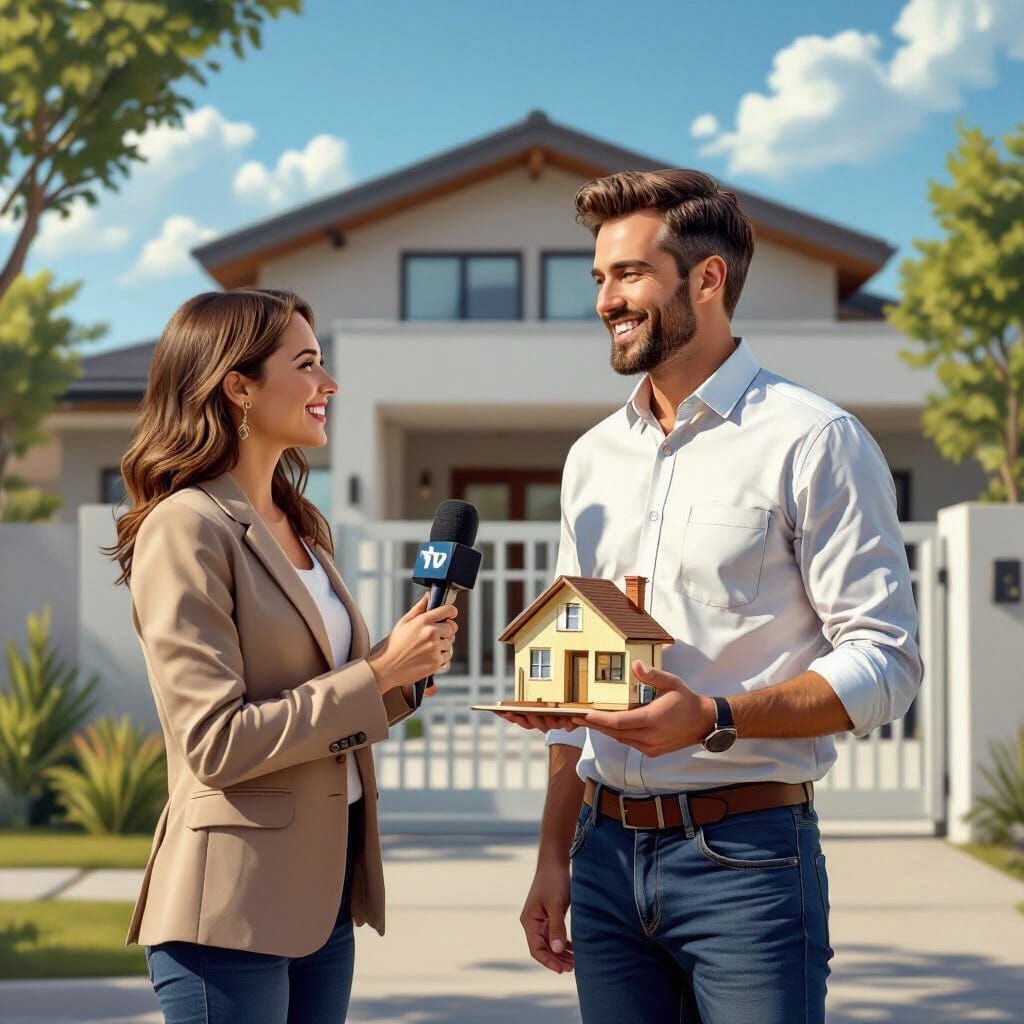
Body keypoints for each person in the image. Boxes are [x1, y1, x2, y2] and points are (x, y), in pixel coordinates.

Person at [498, 170, 922, 1024]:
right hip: (605, 858)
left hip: (748, 862)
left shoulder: (814, 440)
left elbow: (888, 661)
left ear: (707, 278)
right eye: (599, 278)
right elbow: (586, 671)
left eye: (629, 275)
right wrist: (554, 857)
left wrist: (718, 716)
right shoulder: (592, 459)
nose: (606, 300)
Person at [109, 289, 458, 1024]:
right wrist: (378, 672)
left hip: (321, 900)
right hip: (230, 910)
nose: (328, 385)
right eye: (307, 365)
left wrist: (403, 677)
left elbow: (330, 706)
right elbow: (217, 742)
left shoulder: (302, 528)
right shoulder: (186, 527)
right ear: (238, 385)